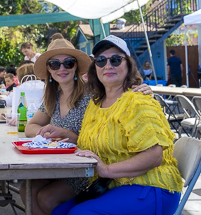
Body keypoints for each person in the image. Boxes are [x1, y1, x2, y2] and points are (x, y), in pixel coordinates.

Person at [52, 35, 183, 214]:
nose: (108, 66)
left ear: (128, 65)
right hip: (112, 186)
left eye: (115, 60)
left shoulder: (138, 101)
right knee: (58, 211)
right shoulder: (95, 104)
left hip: (151, 187)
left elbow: (154, 156)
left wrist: (106, 169)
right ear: (95, 68)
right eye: (101, 61)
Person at [21, 38, 152, 215]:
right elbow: (30, 127)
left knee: (47, 197)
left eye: (68, 63)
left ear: (76, 67)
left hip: (86, 167)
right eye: (55, 64)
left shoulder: (92, 94)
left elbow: (120, 96)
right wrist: (46, 133)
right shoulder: (52, 97)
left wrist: (145, 90)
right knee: (27, 189)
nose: (62, 69)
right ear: (48, 69)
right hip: (58, 163)